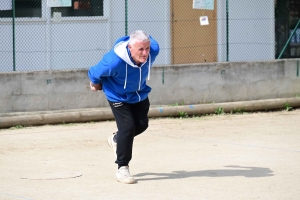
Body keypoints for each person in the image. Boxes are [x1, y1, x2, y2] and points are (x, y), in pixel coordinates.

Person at [88, 30, 160, 184]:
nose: (145, 53)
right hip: (117, 95)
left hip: (139, 93)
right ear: (129, 47)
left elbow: (150, 41)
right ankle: (122, 168)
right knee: (127, 128)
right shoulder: (114, 60)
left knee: (141, 125)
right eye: (140, 49)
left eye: (147, 48)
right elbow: (94, 72)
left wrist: (145, 42)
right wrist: (95, 83)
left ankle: (116, 139)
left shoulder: (154, 49)